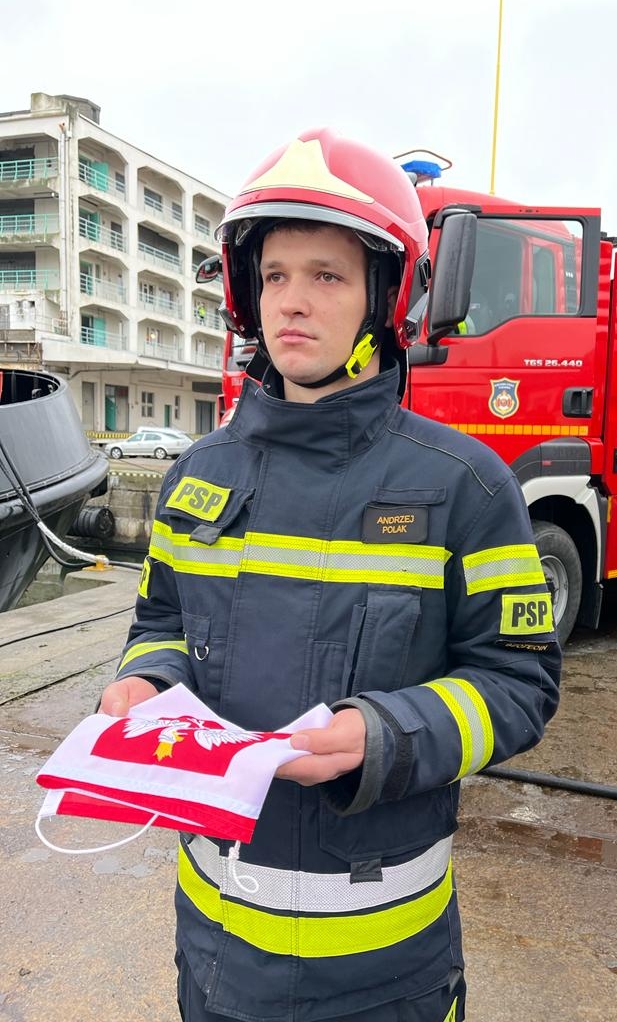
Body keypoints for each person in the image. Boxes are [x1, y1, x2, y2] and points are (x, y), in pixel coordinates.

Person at [99, 127, 561, 1022]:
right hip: (215, 955)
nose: (293, 303)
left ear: (386, 298)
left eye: (327, 275)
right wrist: (142, 679)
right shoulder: (200, 475)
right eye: (275, 275)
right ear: (245, 292)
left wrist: (386, 733)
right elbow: (159, 619)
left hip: (383, 972)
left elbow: (519, 681)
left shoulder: (465, 486)